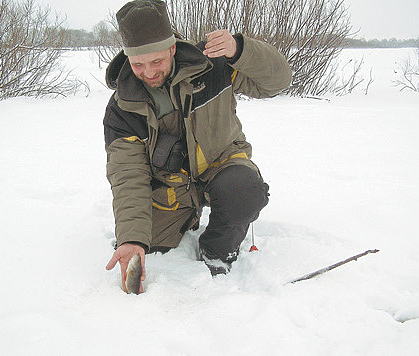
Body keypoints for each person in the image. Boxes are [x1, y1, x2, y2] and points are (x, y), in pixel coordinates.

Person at [104, 0, 292, 291]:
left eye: (156, 61)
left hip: (222, 167)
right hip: (171, 189)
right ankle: (186, 218)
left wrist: (240, 50)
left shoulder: (213, 64)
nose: (149, 72)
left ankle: (217, 249)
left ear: (173, 48)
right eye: (138, 64)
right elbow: (129, 177)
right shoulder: (122, 108)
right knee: (146, 243)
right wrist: (131, 238)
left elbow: (278, 81)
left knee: (243, 191)